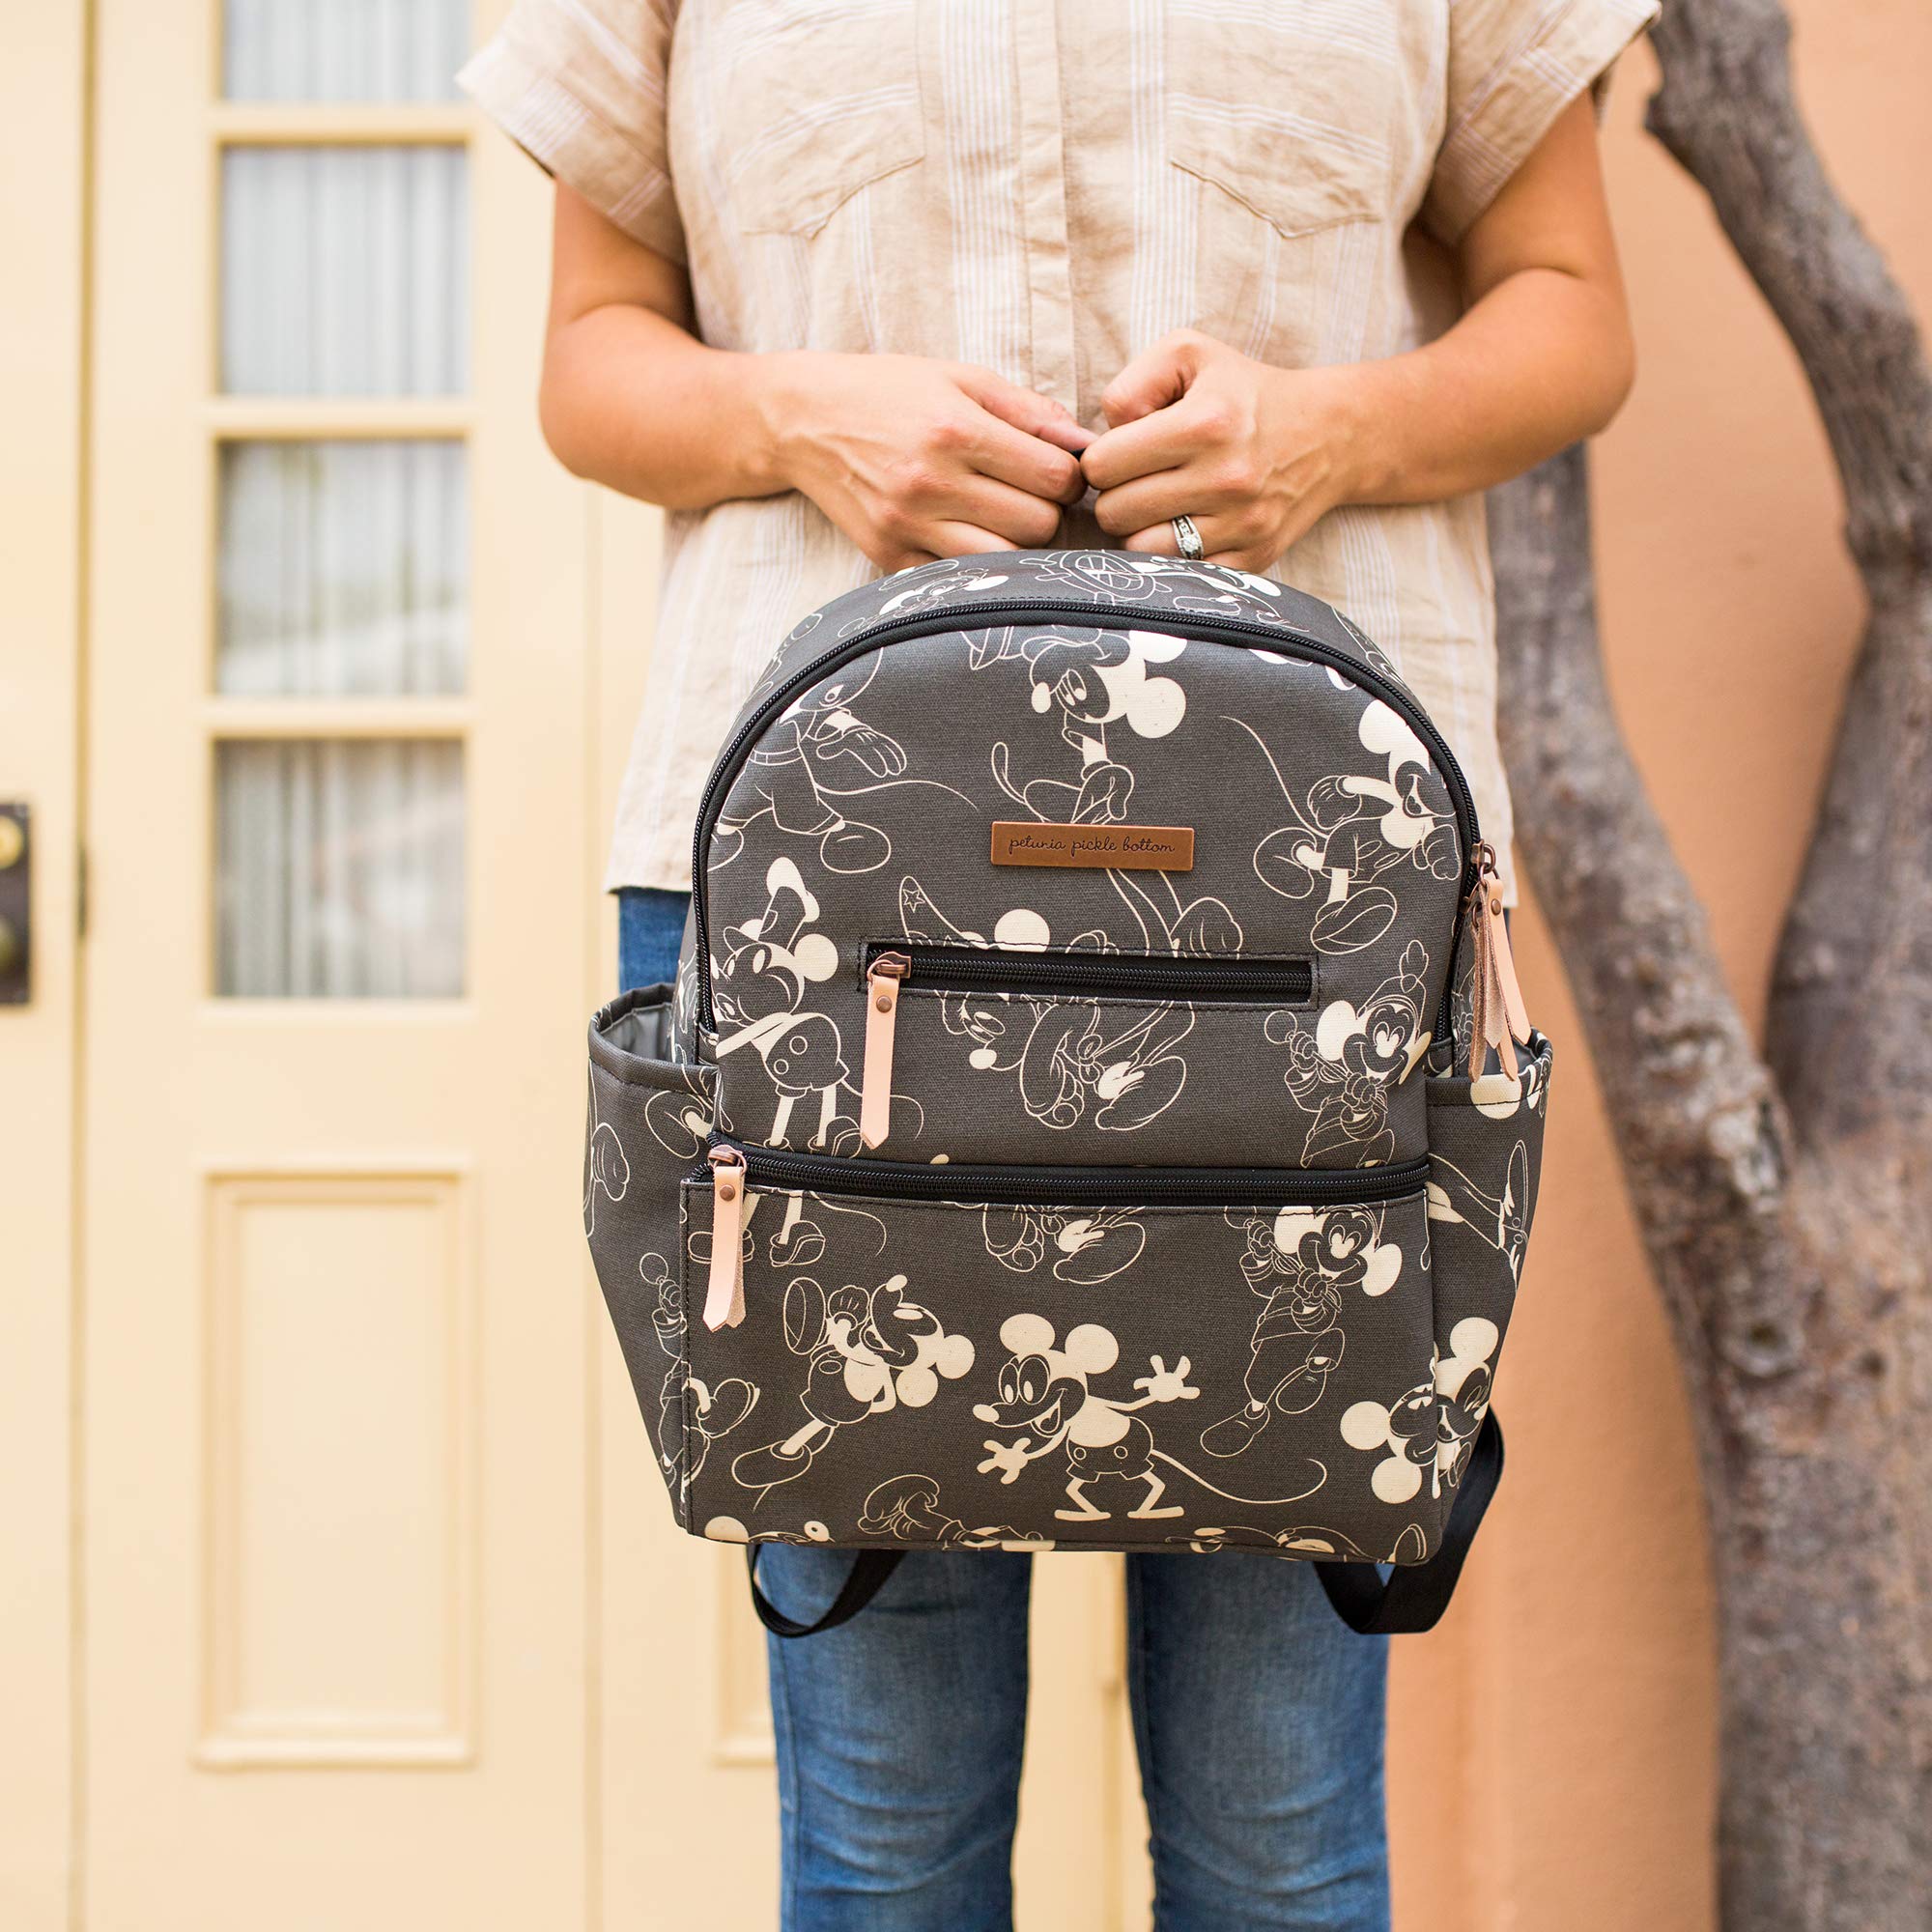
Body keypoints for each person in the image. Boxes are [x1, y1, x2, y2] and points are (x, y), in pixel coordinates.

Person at [462, 4, 1653, 1925]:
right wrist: (800, 414)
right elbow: (592, 367)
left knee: (1281, 1829)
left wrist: (1333, 426)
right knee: (883, 1823)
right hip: (822, 916)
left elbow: (1570, 307)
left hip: (1310, 896)